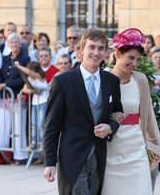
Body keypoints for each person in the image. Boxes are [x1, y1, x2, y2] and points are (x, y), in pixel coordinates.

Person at [43, 28, 123, 195]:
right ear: (81, 50)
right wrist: (49, 161)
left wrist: (110, 126)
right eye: (91, 47)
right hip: (72, 155)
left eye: (101, 48)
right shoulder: (62, 81)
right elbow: (52, 125)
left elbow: (117, 113)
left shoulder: (112, 81)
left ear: (106, 52)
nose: (96, 52)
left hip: (99, 154)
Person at [101, 28, 160, 195]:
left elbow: (148, 114)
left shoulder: (140, 79)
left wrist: (155, 144)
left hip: (136, 147)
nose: (134, 63)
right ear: (118, 54)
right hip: (111, 148)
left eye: (137, 59)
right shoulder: (103, 79)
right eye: (131, 58)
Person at [0, 33, 30, 163]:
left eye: (16, 42)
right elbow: (1, 75)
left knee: (18, 127)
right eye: (11, 43)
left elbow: (23, 79)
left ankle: (20, 156)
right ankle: (2, 154)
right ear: (9, 44)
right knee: (3, 126)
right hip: (6, 96)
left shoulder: (25, 59)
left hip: (18, 96)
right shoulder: (5, 58)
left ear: (20, 44)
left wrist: (5, 84)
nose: (14, 45)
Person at [14, 61, 48, 150]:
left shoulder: (40, 76)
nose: (29, 74)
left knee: (41, 124)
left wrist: (18, 66)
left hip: (43, 102)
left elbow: (29, 72)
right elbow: (24, 89)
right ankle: (34, 142)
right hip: (35, 103)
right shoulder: (30, 79)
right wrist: (33, 91)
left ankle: (42, 142)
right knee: (34, 124)